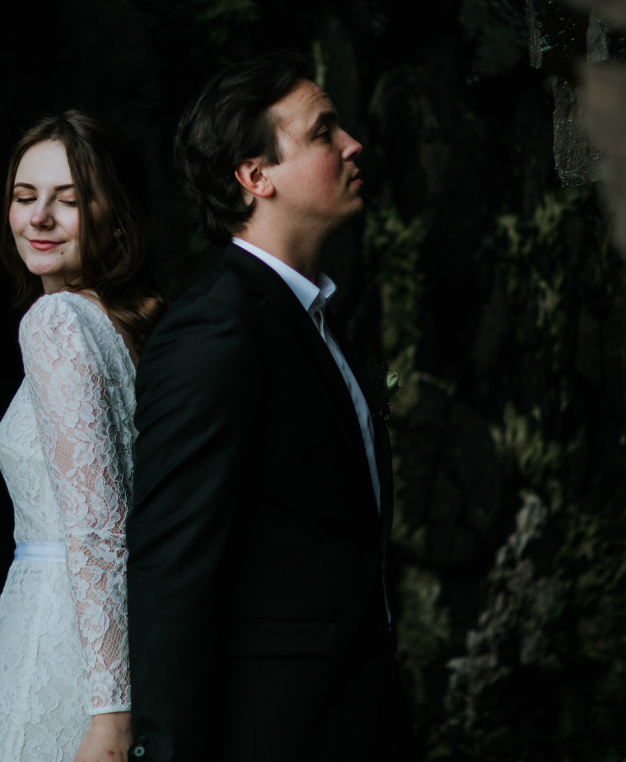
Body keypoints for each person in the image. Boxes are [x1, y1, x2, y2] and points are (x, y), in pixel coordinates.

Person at [127, 51, 415, 760]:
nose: (352, 145)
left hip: (347, 720)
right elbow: (170, 566)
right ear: (255, 176)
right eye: (322, 132)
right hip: (268, 733)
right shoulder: (216, 331)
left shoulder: (317, 322)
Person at [0, 110, 165, 762]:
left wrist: (109, 720)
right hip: (121, 642)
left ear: (117, 215)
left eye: (68, 199)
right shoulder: (127, 329)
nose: (38, 218)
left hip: (58, 645)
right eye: (24, 198)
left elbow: (98, 527)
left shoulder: (54, 322)